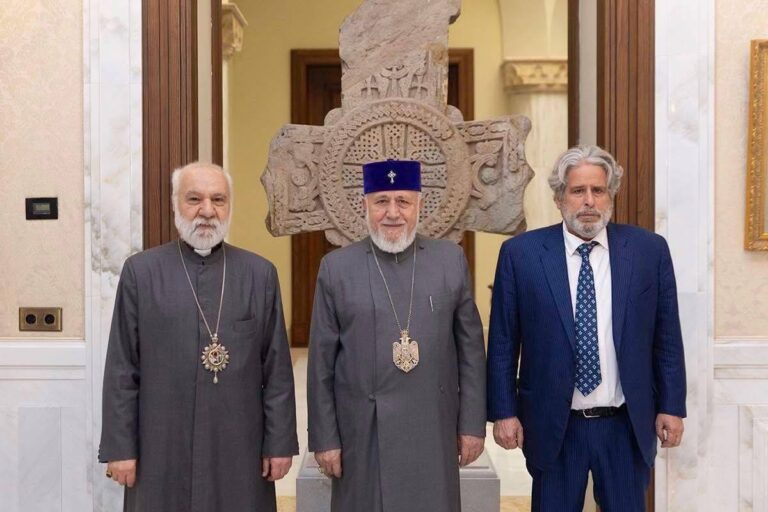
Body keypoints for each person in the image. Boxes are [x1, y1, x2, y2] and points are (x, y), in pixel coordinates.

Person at [487, 145, 687, 511]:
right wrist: (504, 412)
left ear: (611, 196)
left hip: (625, 426)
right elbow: (503, 343)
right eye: (578, 191)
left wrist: (672, 406)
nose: (589, 201)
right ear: (559, 198)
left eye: (599, 190)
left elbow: (667, 337)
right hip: (554, 427)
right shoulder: (521, 255)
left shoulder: (648, 251)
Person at [99, 162, 298, 511]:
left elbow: (277, 370)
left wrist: (279, 443)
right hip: (161, 444)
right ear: (175, 203)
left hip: (239, 443)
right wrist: (120, 448)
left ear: (229, 206)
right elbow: (122, 367)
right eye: (194, 199)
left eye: (218, 199)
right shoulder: (141, 273)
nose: (207, 210)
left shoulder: (259, 274)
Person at [307, 159, 486, 512]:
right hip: (363, 433)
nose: (392, 213)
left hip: (433, 429)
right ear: (365, 205)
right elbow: (321, 365)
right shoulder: (337, 268)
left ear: (419, 204)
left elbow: (471, 353)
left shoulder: (450, 260)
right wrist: (325, 438)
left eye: (403, 201)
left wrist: (472, 425)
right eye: (381, 201)